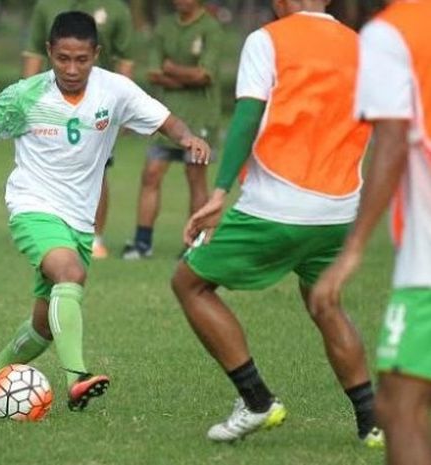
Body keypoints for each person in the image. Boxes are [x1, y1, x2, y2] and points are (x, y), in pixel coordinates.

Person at [0, 11, 209, 412]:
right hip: (32, 206)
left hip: (79, 220)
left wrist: (188, 138)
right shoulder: (26, 95)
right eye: (62, 58)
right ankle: (77, 379)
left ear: (96, 55)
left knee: (44, 325)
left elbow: (166, 120)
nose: (71, 68)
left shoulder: (114, 90)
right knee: (71, 273)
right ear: (49, 52)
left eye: (81, 59)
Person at [169, 0, 384, 446]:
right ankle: (373, 423)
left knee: (189, 283)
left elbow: (248, 115)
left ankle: (256, 401)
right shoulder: (361, 46)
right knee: (326, 304)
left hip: (279, 205)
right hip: (341, 208)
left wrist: (219, 192)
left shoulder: (267, 39)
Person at [311, 0, 431, 463]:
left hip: (425, 269)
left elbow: (393, 140)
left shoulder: (392, 33)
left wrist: (352, 250)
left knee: (400, 406)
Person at [23, 0, 135, 259]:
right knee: (49, 167)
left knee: (98, 169)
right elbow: (33, 53)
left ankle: (94, 237)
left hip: (97, 107)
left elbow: (125, 60)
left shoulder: (116, 9)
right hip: (53, 103)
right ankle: (51, 231)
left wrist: (125, 109)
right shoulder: (46, 6)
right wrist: (27, 104)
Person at [122, 0, 222, 260]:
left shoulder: (211, 28)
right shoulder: (164, 27)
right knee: (151, 174)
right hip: (165, 118)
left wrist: (172, 69)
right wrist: (185, 77)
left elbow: (205, 75)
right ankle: (142, 243)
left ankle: (195, 245)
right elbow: (154, 73)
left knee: (195, 177)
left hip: (200, 118)